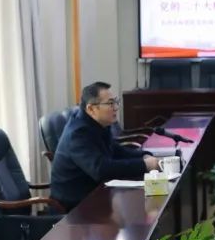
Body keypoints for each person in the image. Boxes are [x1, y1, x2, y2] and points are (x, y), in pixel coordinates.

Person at [50, 82, 160, 211]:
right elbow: (101, 170)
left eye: (115, 102)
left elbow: (116, 150)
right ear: (91, 109)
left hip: (96, 195)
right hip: (74, 207)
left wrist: (143, 156)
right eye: (110, 103)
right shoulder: (78, 134)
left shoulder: (97, 124)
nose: (115, 108)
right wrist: (144, 165)